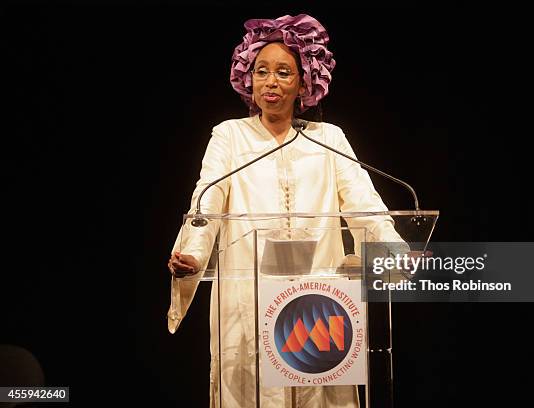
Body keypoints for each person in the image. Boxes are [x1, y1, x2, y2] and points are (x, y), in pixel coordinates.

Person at [167, 14, 403, 407]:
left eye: (283, 72)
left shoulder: (328, 139)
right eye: (261, 71)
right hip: (248, 296)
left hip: (319, 302)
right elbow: (206, 201)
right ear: (248, 78)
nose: (270, 82)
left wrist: (394, 248)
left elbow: (364, 203)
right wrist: (192, 254)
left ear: (304, 83)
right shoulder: (230, 135)